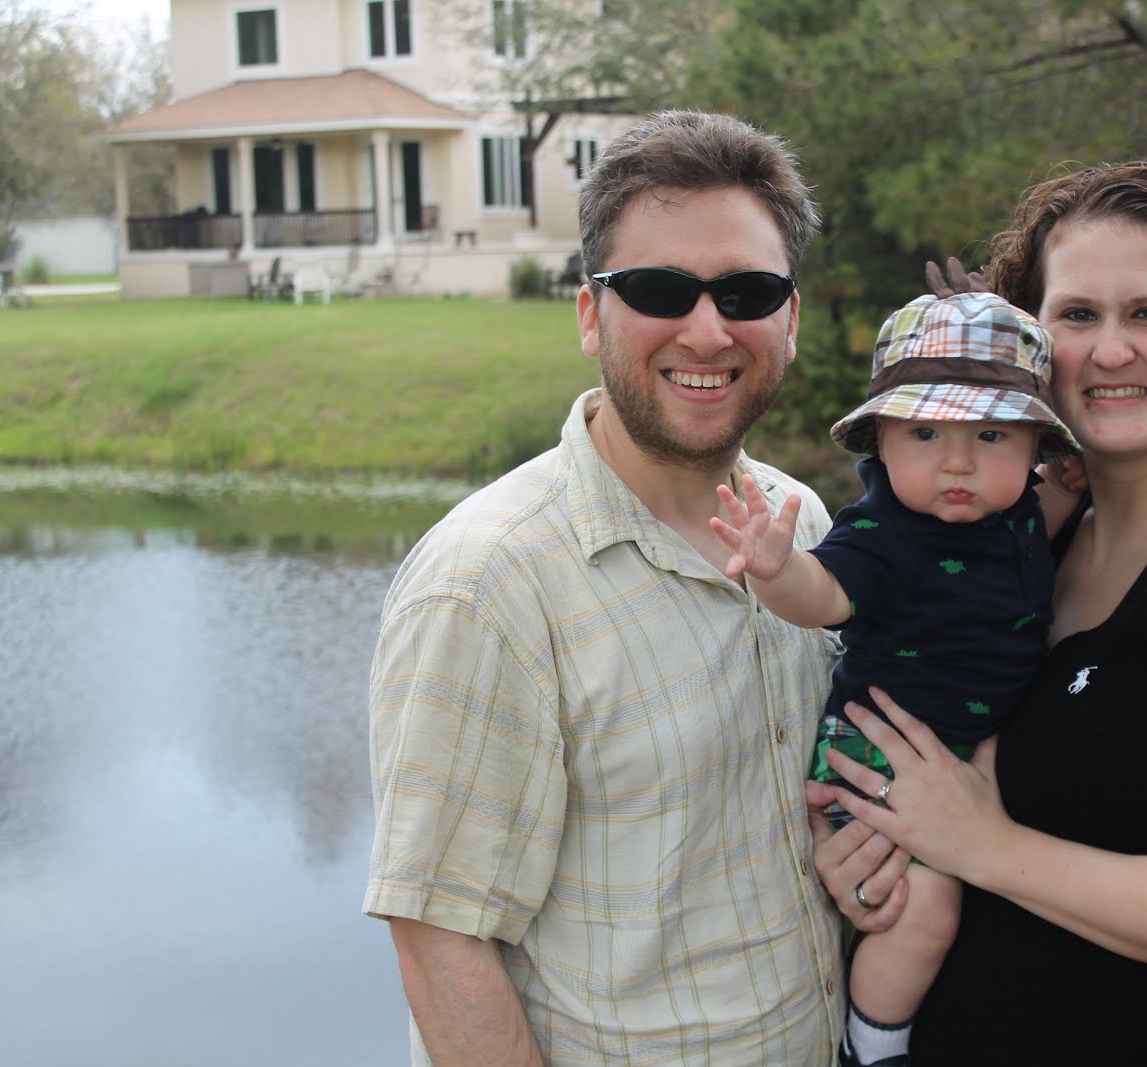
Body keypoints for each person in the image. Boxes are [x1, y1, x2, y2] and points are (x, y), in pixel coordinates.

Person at [808, 158, 1147, 1065]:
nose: (1109, 351)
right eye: (1076, 316)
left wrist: (984, 845)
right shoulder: (1025, 528)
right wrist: (872, 854)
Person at [363, 110, 848, 1066]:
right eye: (661, 289)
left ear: (789, 318)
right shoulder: (487, 582)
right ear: (590, 314)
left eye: (747, 291)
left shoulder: (804, 527)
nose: (707, 329)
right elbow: (442, 939)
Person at [710, 290, 1080, 1067]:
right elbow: (824, 597)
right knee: (925, 908)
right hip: (878, 756)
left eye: (991, 435)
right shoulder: (884, 534)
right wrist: (777, 570)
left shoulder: (1020, 509)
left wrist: (1074, 483)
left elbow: (1033, 532)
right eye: (925, 433)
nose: (958, 461)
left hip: (960, 751)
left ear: (1035, 446)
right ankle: (874, 1045)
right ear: (881, 439)